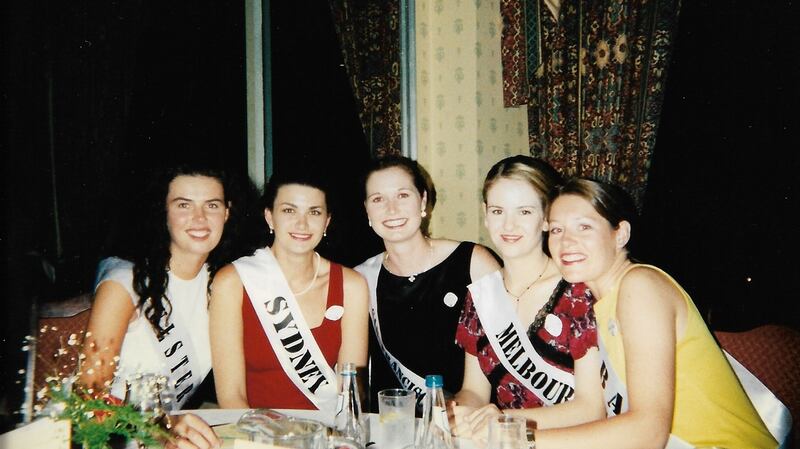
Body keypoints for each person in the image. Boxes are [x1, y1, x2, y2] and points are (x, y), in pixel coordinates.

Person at [531, 177, 778, 449]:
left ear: (620, 234)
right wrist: (504, 423)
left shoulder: (640, 286)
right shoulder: (599, 304)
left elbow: (648, 432)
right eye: (556, 230)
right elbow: (593, 409)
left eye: (584, 227)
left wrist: (522, 441)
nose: (566, 241)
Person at [79, 164, 244, 449]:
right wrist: (161, 426)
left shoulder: (221, 284)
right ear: (163, 212)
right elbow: (86, 400)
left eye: (212, 205)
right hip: (108, 439)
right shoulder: (124, 283)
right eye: (183, 205)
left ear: (227, 212)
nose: (200, 218)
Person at [451, 156, 604, 440]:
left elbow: (592, 407)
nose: (509, 225)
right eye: (498, 211)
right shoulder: (480, 297)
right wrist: (459, 413)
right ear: (485, 214)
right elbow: (474, 390)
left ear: (547, 218)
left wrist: (505, 420)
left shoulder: (578, 290)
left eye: (524, 212)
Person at [209, 169, 369, 412]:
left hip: (326, 434)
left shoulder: (351, 285)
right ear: (269, 217)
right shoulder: (233, 282)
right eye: (289, 210)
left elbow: (351, 392)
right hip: (255, 435)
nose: (302, 224)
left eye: (314, 212)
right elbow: (231, 396)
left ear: (326, 222)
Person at [355, 155, 499, 410]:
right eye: (378, 199)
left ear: (422, 201)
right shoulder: (360, 280)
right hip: (391, 427)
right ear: (366, 210)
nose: (392, 209)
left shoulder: (473, 263)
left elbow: (500, 369)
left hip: (466, 423)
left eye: (402, 195)